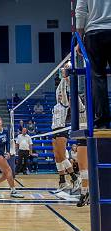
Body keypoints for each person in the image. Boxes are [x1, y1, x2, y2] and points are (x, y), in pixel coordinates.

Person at [76, 0, 111, 129]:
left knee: (98, 78)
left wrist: (79, 38)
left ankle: (102, 121)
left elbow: (80, 10)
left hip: (94, 33)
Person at [51, 68, 81, 193]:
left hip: (61, 130)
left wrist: (64, 76)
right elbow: (58, 90)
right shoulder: (56, 105)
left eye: (60, 95)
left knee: (63, 156)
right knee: (57, 157)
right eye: (57, 96)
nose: (58, 96)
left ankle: (75, 178)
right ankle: (62, 182)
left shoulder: (64, 103)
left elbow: (61, 90)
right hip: (53, 131)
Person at [0, 116, 24, 198]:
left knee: (6, 174)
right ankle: (13, 190)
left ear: (1, 121)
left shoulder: (5, 131)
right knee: (9, 170)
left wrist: (8, 152)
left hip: (1, 154)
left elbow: (8, 143)